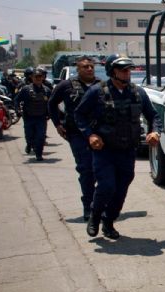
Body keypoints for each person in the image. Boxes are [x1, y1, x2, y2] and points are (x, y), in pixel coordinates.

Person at [74, 53, 161, 239]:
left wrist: (155, 131)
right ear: (112, 71)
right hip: (104, 150)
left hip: (128, 151)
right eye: (122, 70)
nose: (127, 73)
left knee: (121, 189)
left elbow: (154, 115)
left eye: (128, 69)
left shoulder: (138, 92)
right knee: (106, 186)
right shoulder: (97, 92)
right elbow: (79, 115)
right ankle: (94, 216)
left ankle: (108, 221)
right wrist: (90, 135)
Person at [48, 56, 101, 220]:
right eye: (85, 67)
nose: (89, 69)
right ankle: (89, 207)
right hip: (77, 133)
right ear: (78, 69)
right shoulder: (66, 85)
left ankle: (100, 204)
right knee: (86, 169)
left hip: (100, 133)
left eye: (91, 66)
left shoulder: (101, 85)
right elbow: (51, 103)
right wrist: (57, 124)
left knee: (102, 171)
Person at [14, 67, 51, 161]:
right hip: (28, 117)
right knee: (29, 136)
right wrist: (18, 110)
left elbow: (52, 103)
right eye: (36, 76)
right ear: (32, 78)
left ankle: (39, 154)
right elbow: (17, 100)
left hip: (41, 117)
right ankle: (29, 144)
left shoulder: (47, 90)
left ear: (43, 77)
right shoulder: (26, 89)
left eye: (40, 76)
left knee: (41, 136)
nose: (38, 78)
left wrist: (51, 114)